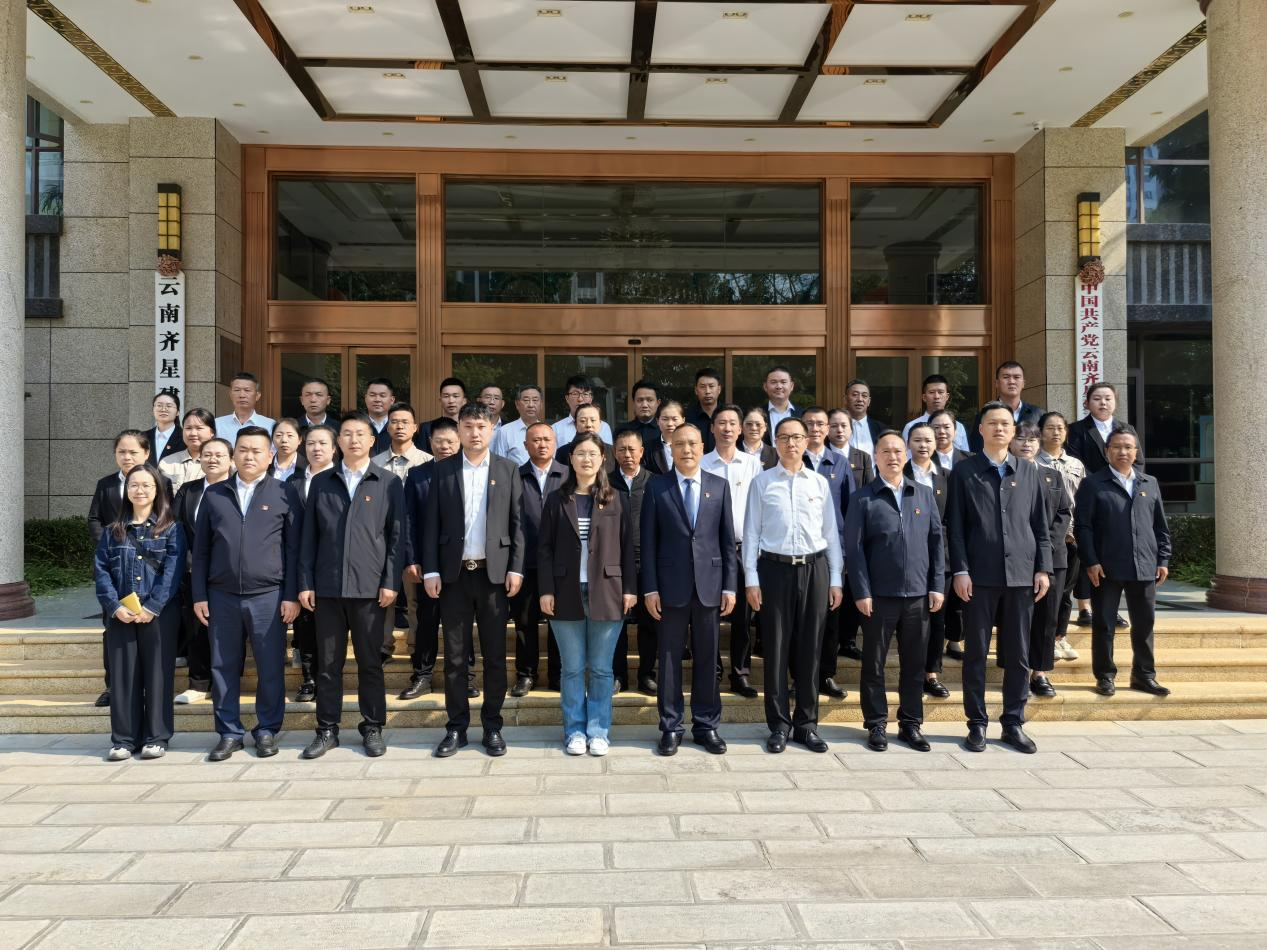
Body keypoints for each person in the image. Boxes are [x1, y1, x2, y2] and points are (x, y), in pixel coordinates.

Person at [192, 426, 302, 762]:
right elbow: (201, 550)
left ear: (270, 456)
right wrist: (199, 595)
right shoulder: (215, 494)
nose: (249, 456)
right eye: (243, 450)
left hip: (269, 595)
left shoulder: (284, 492)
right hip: (221, 595)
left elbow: (293, 548)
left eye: (256, 451)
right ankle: (229, 732)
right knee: (223, 666)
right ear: (233, 455)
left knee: (270, 666)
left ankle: (267, 728)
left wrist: (291, 594)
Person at [947, 401, 1052, 755]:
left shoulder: (1029, 471)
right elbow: (955, 528)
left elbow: (1040, 526)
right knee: (976, 653)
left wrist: (1043, 568)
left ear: (1013, 430)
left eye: (1006, 423)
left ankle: (1013, 723)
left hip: (1022, 576)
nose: (999, 428)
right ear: (980, 429)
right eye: (992, 423)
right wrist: (960, 570)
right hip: (979, 577)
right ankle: (976, 723)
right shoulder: (964, 472)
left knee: (1019, 654)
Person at [298, 413, 403, 759]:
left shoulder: (387, 482)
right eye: (347, 434)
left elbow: (396, 537)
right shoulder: (322, 482)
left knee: (370, 663)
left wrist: (390, 582)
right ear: (338, 442)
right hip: (327, 589)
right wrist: (306, 582)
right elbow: (309, 537)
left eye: (361, 434)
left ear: (373, 440)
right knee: (328, 665)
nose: (354, 439)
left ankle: (372, 726)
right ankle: (327, 729)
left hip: (370, 590)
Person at [423, 404, 525, 758]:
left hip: (493, 576)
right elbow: (431, 523)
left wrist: (516, 568)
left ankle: (493, 726)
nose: (475, 432)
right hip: (453, 577)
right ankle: (456, 727)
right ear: (459, 430)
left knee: (495, 656)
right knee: (454, 657)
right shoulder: (442, 470)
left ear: (492, 429)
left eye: (481, 426)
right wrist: (431, 570)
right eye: (468, 426)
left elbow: (518, 524)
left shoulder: (508, 469)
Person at [744, 417, 844, 754]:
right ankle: (779, 725)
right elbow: (751, 534)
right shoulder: (762, 483)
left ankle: (806, 724)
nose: (791, 443)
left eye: (797, 437)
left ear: (807, 441)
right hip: (774, 570)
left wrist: (835, 578)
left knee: (810, 649)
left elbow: (831, 534)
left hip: (814, 569)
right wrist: (751, 579)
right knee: (775, 649)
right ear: (776, 441)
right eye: (784, 437)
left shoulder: (819, 483)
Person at [539, 433, 638, 755]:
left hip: (608, 591)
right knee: (571, 668)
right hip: (564, 590)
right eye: (580, 453)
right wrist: (546, 590)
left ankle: (598, 731)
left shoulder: (616, 499)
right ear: (571, 459)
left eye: (592, 453)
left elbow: (627, 547)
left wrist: (630, 589)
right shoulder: (556, 499)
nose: (586, 459)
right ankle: (574, 732)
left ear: (602, 459)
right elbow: (544, 549)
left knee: (601, 668)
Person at [846, 431, 944, 753]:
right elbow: (854, 550)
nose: (893, 457)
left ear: (906, 455)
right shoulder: (863, 498)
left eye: (898, 451)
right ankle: (876, 723)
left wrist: (937, 585)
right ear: (875, 457)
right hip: (878, 597)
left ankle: (910, 723)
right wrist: (861, 591)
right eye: (886, 451)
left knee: (914, 664)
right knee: (874, 663)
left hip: (918, 595)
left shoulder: (923, 494)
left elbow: (936, 543)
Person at [642, 424, 736, 756]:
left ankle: (706, 725)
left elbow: (727, 542)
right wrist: (650, 588)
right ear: (671, 448)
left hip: (710, 586)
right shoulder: (657, 487)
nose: (686, 450)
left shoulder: (719, 485)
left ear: (702, 447)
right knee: (669, 659)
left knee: (708, 657)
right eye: (679, 444)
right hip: (670, 587)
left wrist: (730, 586)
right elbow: (648, 542)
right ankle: (670, 726)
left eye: (692, 444)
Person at [93, 464, 185, 761]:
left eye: (147, 485)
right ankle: (123, 739)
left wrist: (153, 606)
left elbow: (173, 572)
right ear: (126, 490)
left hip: (159, 614)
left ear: (157, 490)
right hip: (121, 614)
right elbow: (101, 572)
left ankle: (157, 737)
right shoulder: (113, 531)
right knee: (123, 677)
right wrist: (114, 606)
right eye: (134, 485)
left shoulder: (171, 528)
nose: (140, 490)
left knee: (158, 675)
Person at [1075, 425, 1172, 698]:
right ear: (1107, 451)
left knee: (1144, 624)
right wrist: (1091, 561)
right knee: (1104, 624)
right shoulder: (1093, 483)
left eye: (1128, 447)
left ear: (1136, 452)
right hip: (1106, 567)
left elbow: (1160, 526)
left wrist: (1163, 559)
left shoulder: (1149, 483)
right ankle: (1105, 675)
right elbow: (1083, 527)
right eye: (1117, 446)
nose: (1123, 452)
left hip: (1145, 565)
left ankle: (1144, 675)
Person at [401, 417, 470, 700]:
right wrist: (412, 559)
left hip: (462, 562)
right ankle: (422, 675)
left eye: (450, 441)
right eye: (439, 441)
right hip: (428, 562)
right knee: (427, 620)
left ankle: (466, 675)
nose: (445, 446)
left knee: (462, 621)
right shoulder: (418, 475)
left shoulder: (469, 471)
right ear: (430, 443)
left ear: (460, 442)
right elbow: (408, 520)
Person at [89, 430, 154, 708]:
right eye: (122, 452)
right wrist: (111, 543)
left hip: (148, 569)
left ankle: (146, 686)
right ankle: (113, 686)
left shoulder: (157, 481)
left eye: (133, 452)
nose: (127, 457)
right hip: (115, 567)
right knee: (113, 629)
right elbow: (94, 519)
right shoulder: (106, 484)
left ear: (146, 454)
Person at [701, 405, 763, 699]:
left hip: (743, 549)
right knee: (708, 614)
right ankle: (711, 671)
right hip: (708, 551)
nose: (727, 428)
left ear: (740, 429)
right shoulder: (701, 462)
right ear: (712, 428)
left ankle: (740, 673)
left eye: (732, 424)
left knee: (742, 617)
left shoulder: (752, 464)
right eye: (721, 423)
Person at [1010, 421, 1072, 699]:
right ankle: (1016, 670)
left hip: (1052, 557)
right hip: (1016, 557)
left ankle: (1040, 672)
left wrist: (1046, 543)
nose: (1027, 444)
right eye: (1021, 438)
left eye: (1033, 439)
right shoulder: (1006, 474)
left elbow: (1064, 512)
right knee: (1016, 617)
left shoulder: (1052, 475)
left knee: (1047, 617)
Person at [1065, 383, 1133, 629]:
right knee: (1086, 551)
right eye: (1097, 398)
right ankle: (1085, 608)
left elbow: (1137, 462)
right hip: (1088, 495)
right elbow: (1076, 463)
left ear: (1115, 402)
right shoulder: (1077, 430)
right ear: (1087, 403)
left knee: (1112, 552)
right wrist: (1102, 483)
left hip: (1118, 501)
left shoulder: (1126, 430)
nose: (1103, 403)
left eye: (1107, 398)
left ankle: (1110, 609)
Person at [172, 436, 233, 705]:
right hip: (193, 570)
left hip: (229, 572)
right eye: (207, 455)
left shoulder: (237, 489)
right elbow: (176, 527)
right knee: (197, 627)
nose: (212, 459)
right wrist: (189, 563)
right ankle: (198, 683)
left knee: (229, 631)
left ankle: (227, 682)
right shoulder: (189, 490)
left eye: (219, 455)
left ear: (231, 460)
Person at [372, 402, 433, 663]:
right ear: (387, 427)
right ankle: (383, 647)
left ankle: (416, 647)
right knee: (383, 596)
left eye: (405, 422)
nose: (399, 426)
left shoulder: (427, 462)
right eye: (394, 422)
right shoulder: (374, 463)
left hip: (415, 541)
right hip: (381, 540)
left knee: (415, 599)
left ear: (415, 427)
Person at [799, 406, 853, 699]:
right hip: (799, 551)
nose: (815, 428)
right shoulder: (794, 460)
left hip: (831, 551)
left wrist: (845, 553)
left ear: (828, 429)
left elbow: (849, 510)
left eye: (821, 424)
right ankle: (799, 677)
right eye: (809, 423)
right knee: (801, 620)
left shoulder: (840, 463)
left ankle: (826, 675)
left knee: (831, 617)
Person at [511, 422, 568, 696]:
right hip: (526, 562)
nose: (542, 444)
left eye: (547, 439)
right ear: (525, 445)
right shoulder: (514, 475)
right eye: (535, 440)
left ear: (555, 443)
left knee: (560, 622)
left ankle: (558, 674)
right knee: (525, 622)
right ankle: (526, 674)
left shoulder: (569, 474)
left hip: (562, 564)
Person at [287, 424, 336, 702]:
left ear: (334, 448)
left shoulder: (341, 479)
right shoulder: (292, 482)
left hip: (331, 564)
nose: (316, 449)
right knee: (305, 624)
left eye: (322, 443)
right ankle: (309, 678)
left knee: (329, 629)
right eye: (311, 444)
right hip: (300, 562)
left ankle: (328, 678)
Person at [905, 422, 953, 699]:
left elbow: (954, 519)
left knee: (937, 618)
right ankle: (910, 672)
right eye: (917, 440)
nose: (923, 445)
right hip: (907, 557)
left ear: (936, 445)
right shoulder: (899, 473)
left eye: (928, 441)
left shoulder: (946, 477)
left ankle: (931, 674)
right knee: (910, 618)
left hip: (940, 557)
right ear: (908, 444)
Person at [611, 428, 656, 695]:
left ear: (641, 452)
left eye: (632, 449)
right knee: (616, 624)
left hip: (647, 562)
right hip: (614, 565)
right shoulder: (604, 483)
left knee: (650, 623)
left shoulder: (656, 482)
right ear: (614, 453)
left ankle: (646, 674)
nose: (627, 454)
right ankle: (618, 675)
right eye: (622, 449)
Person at [1038, 411, 1086, 663]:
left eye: (1060, 428)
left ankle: (1060, 636)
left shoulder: (1076, 464)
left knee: (1066, 592)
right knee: (1049, 592)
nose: (1056, 432)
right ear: (1041, 432)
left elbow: (1082, 500)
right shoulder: (1035, 462)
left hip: (1072, 535)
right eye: (1050, 428)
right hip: (1049, 535)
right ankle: (1045, 639)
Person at [968, 361, 1042, 452]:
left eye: (1016, 377)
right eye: (1006, 377)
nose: (1011, 381)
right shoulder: (984, 415)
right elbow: (977, 449)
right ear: (996, 383)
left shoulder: (1038, 414)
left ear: (1023, 383)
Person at [902, 375, 970, 451]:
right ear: (924, 397)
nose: (936, 396)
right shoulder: (910, 427)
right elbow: (906, 455)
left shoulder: (959, 427)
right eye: (931, 392)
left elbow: (965, 455)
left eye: (940, 392)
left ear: (947, 397)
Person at [160, 408, 216, 493]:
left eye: (199, 428)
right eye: (188, 428)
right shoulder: (167, 462)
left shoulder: (220, 462)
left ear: (212, 432)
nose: (193, 433)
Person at [490, 384, 544, 466]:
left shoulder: (549, 431)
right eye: (526, 400)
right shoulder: (505, 431)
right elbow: (500, 465)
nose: (531, 405)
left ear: (541, 404)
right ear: (517, 404)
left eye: (535, 400)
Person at [553, 374, 614, 445]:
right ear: (567, 398)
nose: (580, 399)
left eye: (585, 394)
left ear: (591, 398)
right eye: (575, 394)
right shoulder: (556, 429)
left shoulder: (603, 427)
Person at [215, 371, 275, 441]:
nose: (242, 395)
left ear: (257, 396)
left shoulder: (270, 425)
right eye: (237, 390)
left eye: (247, 390)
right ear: (230, 394)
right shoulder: (217, 424)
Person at [416, 377, 467, 449]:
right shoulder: (426, 428)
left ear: (464, 400)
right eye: (446, 396)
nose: (451, 400)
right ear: (440, 400)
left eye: (455, 396)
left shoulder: (470, 428)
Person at [617, 379, 663, 459]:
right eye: (640, 400)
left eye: (650, 400)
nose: (644, 405)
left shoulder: (664, 430)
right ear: (633, 403)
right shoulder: (621, 431)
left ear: (658, 403)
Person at [845, 379, 886, 457]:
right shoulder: (836, 428)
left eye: (864, 396)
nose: (860, 399)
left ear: (869, 401)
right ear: (845, 399)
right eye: (855, 395)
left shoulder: (881, 429)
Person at [686, 367, 722, 453]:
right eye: (702, 387)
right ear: (696, 390)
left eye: (711, 386)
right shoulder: (687, 417)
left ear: (719, 389)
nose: (707, 391)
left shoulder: (728, 415)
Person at [761, 366, 800, 442]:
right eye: (773, 382)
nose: (779, 386)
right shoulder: (757, 414)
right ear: (765, 386)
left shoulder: (802, 414)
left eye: (783, 382)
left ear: (791, 386)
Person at [646, 400, 685, 475]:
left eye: (674, 419)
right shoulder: (647, 448)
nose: (670, 424)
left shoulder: (691, 446)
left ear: (683, 420)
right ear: (657, 421)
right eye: (665, 419)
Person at [145, 391, 185, 465]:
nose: (163, 409)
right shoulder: (142, 437)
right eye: (159, 405)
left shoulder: (185, 437)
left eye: (169, 406)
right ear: (153, 410)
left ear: (178, 412)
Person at [928, 409, 970, 475]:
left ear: (955, 431)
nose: (941, 431)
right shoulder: (923, 460)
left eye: (946, 427)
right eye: (936, 427)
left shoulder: (970, 459)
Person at [363, 377, 396, 456]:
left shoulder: (398, 427)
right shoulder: (358, 425)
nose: (377, 399)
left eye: (382, 396)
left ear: (392, 400)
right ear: (366, 398)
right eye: (372, 395)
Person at [268, 418, 304, 482]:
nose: (284, 440)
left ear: (300, 439)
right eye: (279, 435)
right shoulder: (265, 466)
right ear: (272, 439)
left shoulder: (308, 467)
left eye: (290, 435)